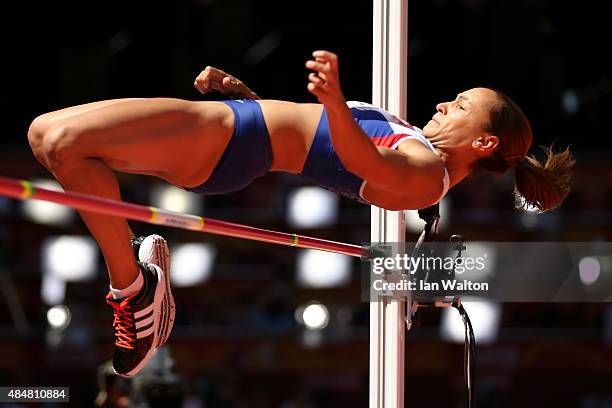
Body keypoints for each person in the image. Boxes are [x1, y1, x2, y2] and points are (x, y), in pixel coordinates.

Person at [26, 50, 574, 377]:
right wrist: (251, 98)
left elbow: (358, 155)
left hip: (229, 143)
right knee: (50, 139)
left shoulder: (427, 176)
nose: (439, 106)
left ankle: (136, 292)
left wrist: (333, 100)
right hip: (238, 129)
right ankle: (136, 289)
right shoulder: (420, 148)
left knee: (64, 140)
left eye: (457, 106)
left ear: (481, 141)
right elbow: (316, 144)